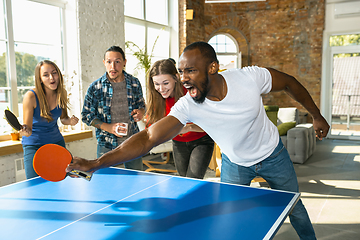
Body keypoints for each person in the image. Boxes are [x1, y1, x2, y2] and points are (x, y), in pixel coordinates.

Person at [68, 42, 330, 240]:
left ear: (212, 68)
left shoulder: (249, 78)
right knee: (230, 217)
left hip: (273, 155)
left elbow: (290, 83)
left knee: (295, 208)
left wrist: (316, 116)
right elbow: (148, 137)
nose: (183, 78)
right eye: (181, 71)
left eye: (190, 70)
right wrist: (97, 162)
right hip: (235, 163)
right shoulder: (188, 105)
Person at [146, 59, 214, 178]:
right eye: (157, 84)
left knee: (193, 180)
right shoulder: (157, 99)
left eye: (165, 83)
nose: (161, 89)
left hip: (201, 141)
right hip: (178, 143)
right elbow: (152, 125)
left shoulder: (192, 93)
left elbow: (211, 124)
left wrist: (189, 127)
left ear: (176, 78)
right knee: (184, 181)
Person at [81, 46, 145, 170]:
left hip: (132, 141)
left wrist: (141, 112)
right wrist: (109, 127)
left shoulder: (135, 83)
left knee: (137, 180)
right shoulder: (95, 87)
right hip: (106, 143)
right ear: (104, 63)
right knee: (105, 181)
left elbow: (141, 104)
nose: (113, 67)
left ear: (124, 62)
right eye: (109, 62)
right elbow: (86, 115)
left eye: (117, 61)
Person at [20, 60, 79, 179]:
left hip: (57, 143)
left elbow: (64, 118)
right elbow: (28, 129)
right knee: (34, 185)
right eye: (46, 75)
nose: (51, 77)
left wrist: (70, 121)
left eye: (54, 73)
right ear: (40, 78)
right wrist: (25, 131)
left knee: (64, 179)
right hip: (35, 146)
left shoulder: (61, 93)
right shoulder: (30, 97)